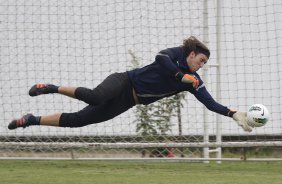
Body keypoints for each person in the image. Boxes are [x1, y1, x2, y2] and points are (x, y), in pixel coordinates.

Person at [8, 36, 253, 132]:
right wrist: (180, 77)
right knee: (95, 96)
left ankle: (31, 120)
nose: (201, 66)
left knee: (78, 121)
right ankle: (50, 87)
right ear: (191, 55)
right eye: (201, 60)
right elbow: (160, 58)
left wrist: (233, 113)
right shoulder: (176, 54)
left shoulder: (194, 82)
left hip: (129, 101)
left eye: (204, 64)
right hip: (124, 81)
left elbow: (210, 104)